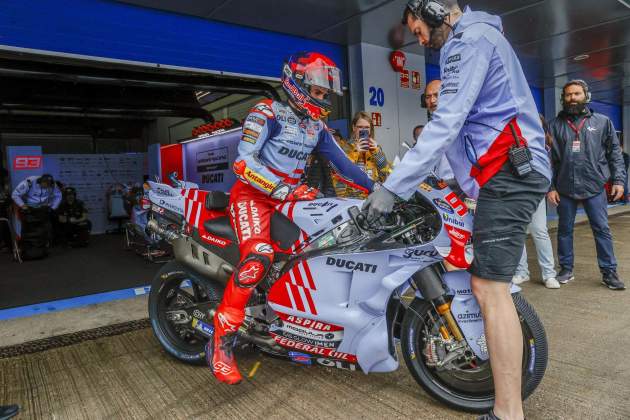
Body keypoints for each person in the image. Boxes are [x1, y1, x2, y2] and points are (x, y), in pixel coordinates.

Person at [362, 2, 552, 419]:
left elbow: (447, 122)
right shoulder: (458, 47)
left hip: (510, 169)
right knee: (486, 281)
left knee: (489, 287)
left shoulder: (471, 41)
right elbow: (455, 138)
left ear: (433, 9)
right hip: (499, 174)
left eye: (418, 28)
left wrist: (391, 188)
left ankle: (507, 412)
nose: (420, 39)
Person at [208, 52, 375, 385]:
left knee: (321, 252)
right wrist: (284, 190)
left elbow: (346, 167)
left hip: (292, 200)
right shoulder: (265, 112)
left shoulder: (317, 127)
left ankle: (300, 327)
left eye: (326, 94)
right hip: (254, 197)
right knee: (259, 257)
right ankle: (221, 342)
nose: (323, 99)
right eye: (318, 92)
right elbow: (243, 164)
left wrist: (383, 189)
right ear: (296, 84)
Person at [547, 80, 626, 290]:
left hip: (595, 186)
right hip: (564, 188)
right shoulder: (554, 126)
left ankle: (609, 272)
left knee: (602, 229)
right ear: (563, 98)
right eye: (568, 95)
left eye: (577, 94)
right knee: (564, 230)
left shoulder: (602, 122)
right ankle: (566, 269)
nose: (572, 98)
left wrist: (618, 180)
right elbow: (548, 160)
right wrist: (550, 187)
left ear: (586, 96)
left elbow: (615, 154)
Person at [513, 115, 559, 289]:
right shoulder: (515, 140)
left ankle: (549, 274)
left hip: (536, 193)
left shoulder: (546, 145)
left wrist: (549, 188)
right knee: (518, 234)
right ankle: (522, 272)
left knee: (539, 231)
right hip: (515, 193)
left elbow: (548, 170)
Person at [328, 111, 392, 198]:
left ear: (370, 129)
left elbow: (385, 175)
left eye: (367, 127)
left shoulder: (376, 149)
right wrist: (355, 152)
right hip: (349, 199)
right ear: (354, 128)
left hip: (372, 197)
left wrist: (377, 152)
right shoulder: (344, 148)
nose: (363, 130)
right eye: (360, 127)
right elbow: (338, 173)